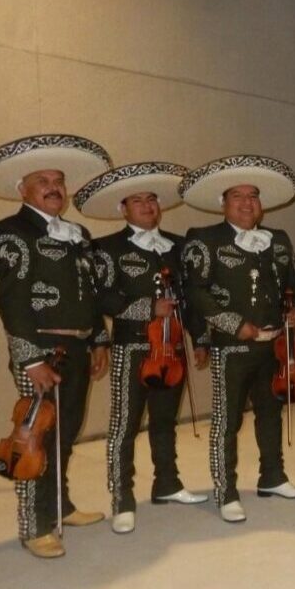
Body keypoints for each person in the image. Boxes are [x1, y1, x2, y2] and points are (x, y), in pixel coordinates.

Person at [0, 134, 113, 558]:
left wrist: (99, 337)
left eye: (59, 180)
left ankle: (60, 505)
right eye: (42, 180)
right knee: (35, 440)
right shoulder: (10, 232)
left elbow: (90, 291)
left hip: (79, 349)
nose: (54, 187)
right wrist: (28, 359)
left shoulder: (78, 233)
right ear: (23, 189)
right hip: (40, 350)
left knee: (65, 435)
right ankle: (33, 525)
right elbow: (9, 300)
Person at [75, 162, 209, 535]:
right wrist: (148, 308)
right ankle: (122, 498)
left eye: (152, 200)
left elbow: (190, 298)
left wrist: (199, 338)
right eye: (138, 201)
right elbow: (100, 298)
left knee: (165, 422)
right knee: (124, 426)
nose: (148, 206)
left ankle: (167, 484)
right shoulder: (106, 248)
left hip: (172, 348)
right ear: (123, 208)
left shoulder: (178, 247)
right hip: (131, 348)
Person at [180, 155, 295, 523]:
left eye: (253, 196)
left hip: (274, 345)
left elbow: (294, 287)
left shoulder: (279, 240)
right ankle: (226, 491)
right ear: (223, 203)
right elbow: (196, 293)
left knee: (270, 412)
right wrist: (234, 324)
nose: (247, 202)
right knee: (227, 420)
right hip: (231, 346)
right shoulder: (203, 240)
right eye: (237, 196)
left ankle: (273, 477)